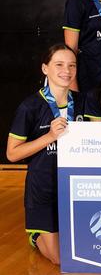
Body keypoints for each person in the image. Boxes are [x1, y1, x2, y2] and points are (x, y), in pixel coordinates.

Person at [6, 44, 85, 265]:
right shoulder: (29, 107)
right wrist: (49, 137)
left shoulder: (83, 102)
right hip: (43, 190)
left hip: (76, 188)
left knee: (88, 249)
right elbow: (12, 154)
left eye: (72, 65)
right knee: (62, 259)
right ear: (45, 69)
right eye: (59, 64)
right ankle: (36, 235)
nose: (66, 71)